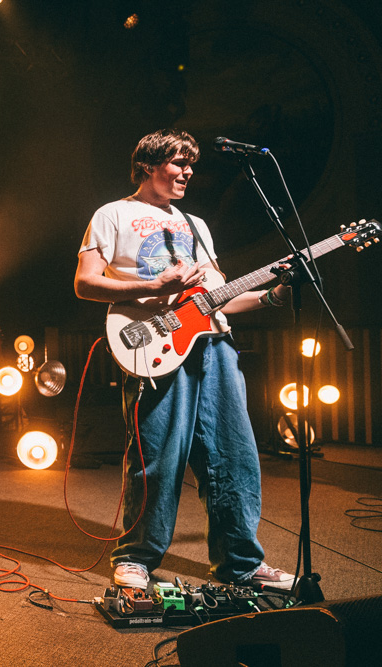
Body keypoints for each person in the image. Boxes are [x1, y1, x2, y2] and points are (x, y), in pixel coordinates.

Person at [74, 129, 294, 591]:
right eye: (177, 163)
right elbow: (86, 283)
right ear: (148, 166)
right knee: (157, 455)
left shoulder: (196, 225)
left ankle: (241, 563)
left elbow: (216, 298)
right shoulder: (112, 214)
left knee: (234, 457)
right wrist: (155, 286)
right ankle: (135, 557)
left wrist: (271, 297)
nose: (187, 171)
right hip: (154, 344)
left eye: (190, 164)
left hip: (215, 346)